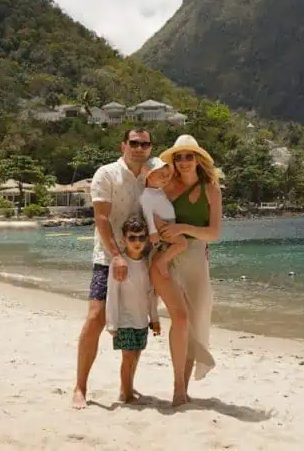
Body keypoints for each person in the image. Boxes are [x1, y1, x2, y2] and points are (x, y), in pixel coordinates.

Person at [72, 127, 153, 409]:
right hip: (108, 256)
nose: (139, 148)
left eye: (145, 144)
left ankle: (126, 388)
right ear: (123, 146)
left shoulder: (152, 173)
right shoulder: (106, 174)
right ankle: (80, 387)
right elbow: (102, 219)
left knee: (137, 319)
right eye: (134, 143)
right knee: (95, 317)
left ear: (150, 148)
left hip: (142, 256)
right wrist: (117, 256)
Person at [150, 134, 222, 407]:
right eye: (178, 157)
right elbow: (149, 211)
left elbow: (214, 233)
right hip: (170, 256)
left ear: (198, 159)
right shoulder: (167, 188)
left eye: (188, 156)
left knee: (196, 323)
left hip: (197, 259)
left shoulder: (212, 189)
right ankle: (178, 388)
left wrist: (184, 228)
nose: (183, 162)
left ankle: (185, 386)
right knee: (180, 320)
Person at [105, 215, 161, 403]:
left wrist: (154, 319)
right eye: (132, 237)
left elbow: (152, 293)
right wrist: (112, 323)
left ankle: (127, 387)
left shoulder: (148, 263)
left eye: (141, 237)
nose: (137, 242)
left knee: (136, 355)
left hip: (141, 321)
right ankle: (126, 395)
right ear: (124, 240)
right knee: (127, 357)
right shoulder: (119, 265)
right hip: (124, 320)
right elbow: (112, 295)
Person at [140, 158, 187, 271]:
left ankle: (164, 260)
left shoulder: (158, 191)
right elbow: (148, 214)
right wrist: (153, 232)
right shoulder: (146, 195)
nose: (166, 178)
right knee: (182, 243)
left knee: (170, 245)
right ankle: (162, 262)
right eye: (161, 175)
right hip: (161, 226)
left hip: (167, 223)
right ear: (149, 176)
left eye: (167, 175)